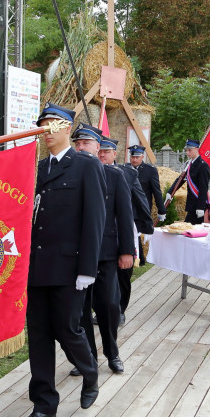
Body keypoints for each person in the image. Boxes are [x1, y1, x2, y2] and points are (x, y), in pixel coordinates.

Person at [18, 103, 104, 417]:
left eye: (53, 124)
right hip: (36, 267)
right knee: (39, 337)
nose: (46, 130)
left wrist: (87, 268)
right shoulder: (36, 168)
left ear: (68, 128)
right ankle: (44, 404)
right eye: (42, 125)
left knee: (68, 330)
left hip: (69, 269)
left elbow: (94, 220)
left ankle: (90, 372)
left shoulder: (85, 166)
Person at [69, 128, 131, 375]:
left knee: (108, 305)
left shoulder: (114, 176)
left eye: (87, 143)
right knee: (80, 310)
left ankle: (112, 353)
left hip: (105, 253)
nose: (82, 147)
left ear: (98, 147)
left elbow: (125, 216)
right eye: (78, 143)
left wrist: (127, 251)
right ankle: (87, 358)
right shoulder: (69, 175)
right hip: (76, 254)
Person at [111, 144, 149, 324]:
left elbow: (140, 198)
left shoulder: (127, 173)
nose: (102, 154)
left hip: (121, 228)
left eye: (106, 151)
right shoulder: (87, 170)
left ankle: (120, 310)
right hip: (97, 231)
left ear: (114, 154)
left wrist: (146, 225)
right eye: (99, 151)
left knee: (122, 274)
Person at [129, 145, 166, 267]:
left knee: (137, 232)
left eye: (137, 157)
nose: (134, 160)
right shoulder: (126, 169)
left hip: (142, 208)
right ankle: (138, 259)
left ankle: (139, 259)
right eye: (132, 157)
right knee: (131, 232)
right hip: (128, 206)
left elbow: (156, 191)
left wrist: (162, 210)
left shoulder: (150, 170)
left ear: (142, 157)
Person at [167, 139, 210, 224]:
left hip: (198, 205)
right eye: (186, 150)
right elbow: (180, 179)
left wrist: (201, 207)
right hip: (191, 204)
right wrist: (170, 191)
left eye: (190, 150)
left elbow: (203, 188)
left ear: (197, 149)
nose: (187, 153)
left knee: (191, 231)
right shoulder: (189, 164)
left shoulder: (203, 166)